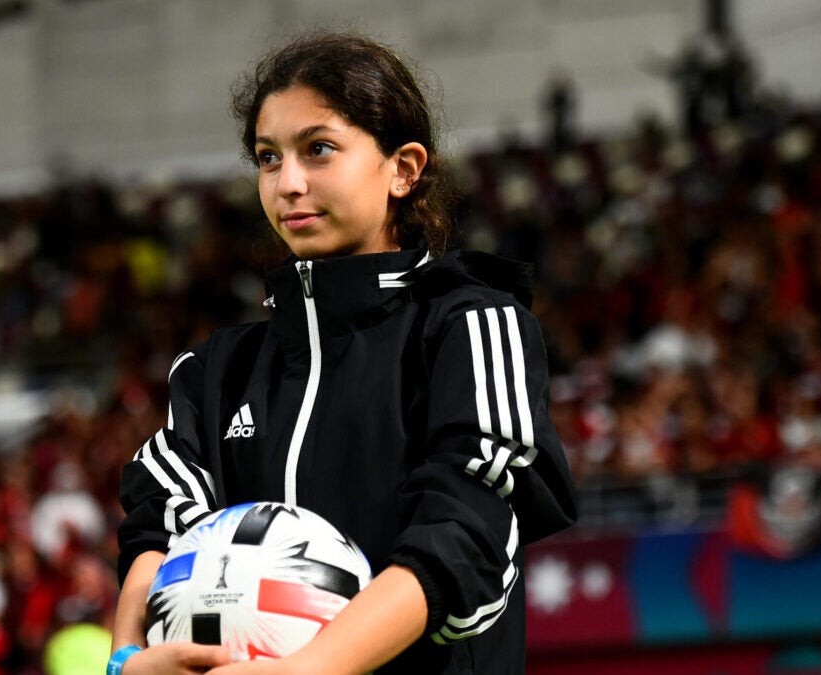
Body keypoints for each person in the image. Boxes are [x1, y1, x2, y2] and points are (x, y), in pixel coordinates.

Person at [111, 30, 577, 675]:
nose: (289, 182)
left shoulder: (471, 325)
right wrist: (128, 659)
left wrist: (311, 668)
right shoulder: (212, 370)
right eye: (268, 158)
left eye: (319, 149)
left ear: (403, 169)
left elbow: (468, 534)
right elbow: (159, 527)